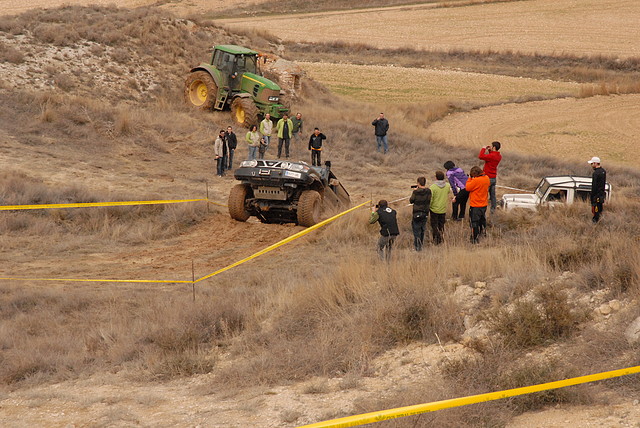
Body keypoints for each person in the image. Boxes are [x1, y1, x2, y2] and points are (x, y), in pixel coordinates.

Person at [466, 166, 490, 244]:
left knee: (474, 222)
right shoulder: (486, 178)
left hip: (475, 205)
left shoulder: (476, 180)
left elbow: (468, 188)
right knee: (482, 221)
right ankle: (482, 234)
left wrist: (470, 178)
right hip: (484, 204)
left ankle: (474, 239)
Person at [478, 141, 502, 213]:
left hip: (487, 178)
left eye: (492, 146)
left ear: (494, 147)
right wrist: (489, 150)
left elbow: (481, 156)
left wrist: (483, 149)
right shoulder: (499, 156)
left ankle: (482, 210)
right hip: (493, 177)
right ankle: (493, 210)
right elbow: (491, 156)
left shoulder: (492, 156)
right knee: (492, 195)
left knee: (483, 194)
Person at [429, 170, 451, 245]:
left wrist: (429, 206)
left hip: (434, 209)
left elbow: (431, 199)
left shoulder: (433, 187)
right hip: (443, 208)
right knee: (441, 225)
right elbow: (448, 192)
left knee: (434, 225)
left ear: (436, 178)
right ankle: (441, 238)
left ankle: (436, 240)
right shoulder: (447, 185)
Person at [409, 176, 431, 251]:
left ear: (418, 183)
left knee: (416, 230)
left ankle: (417, 247)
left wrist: (415, 191)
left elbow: (411, 200)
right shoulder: (428, 191)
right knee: (422, 230)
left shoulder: (416, 192)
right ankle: (420, 245)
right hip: (425, 213)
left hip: (417, 213)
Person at [588, 156, 607, 223]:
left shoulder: (596, 173)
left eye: (592, 164)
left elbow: (594, 186)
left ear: (595, 163)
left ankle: (595, 223)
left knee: (595, 213)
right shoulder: (603, 171)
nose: (591, 165)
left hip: (596, 196)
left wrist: (592, 197)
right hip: (601, 195)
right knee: (599, 210)